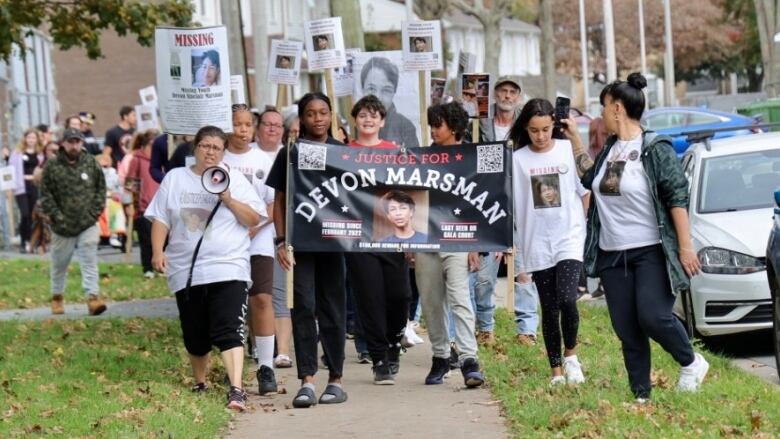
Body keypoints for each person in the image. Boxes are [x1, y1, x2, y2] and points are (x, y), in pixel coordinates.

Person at [569, 72, 708, 402]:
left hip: (650, 250)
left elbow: (676, 197)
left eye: (603, 107)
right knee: (626, 327)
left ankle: (691, 362)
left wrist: (686, 247)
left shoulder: (654, 148)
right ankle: (641, 395)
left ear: (617, 108)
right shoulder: (611, 149)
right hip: (612, 253)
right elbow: (591, 180)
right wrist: (575, 139)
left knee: (653, 315)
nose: (601, 114)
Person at [145, 125, 265, 411]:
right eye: (205, 146)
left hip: (228, 266)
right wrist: (158, 251)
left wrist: (228, 197)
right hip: (187, 271)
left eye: (216, 147)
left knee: (229, 330)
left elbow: (253, 219)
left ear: (224, 153)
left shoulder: (234, 180)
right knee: (195, 334)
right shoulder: (175, 178)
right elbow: (161, 218)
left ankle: (236, 389)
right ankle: (200, 381)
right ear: (195, 148)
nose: (210, 151)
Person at [267, 92, 348, 408]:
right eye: (311, 113)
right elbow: (279, 201)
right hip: (300, 244)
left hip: (335, 243)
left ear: (331, 116)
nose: (318, 118)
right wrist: (280, 241)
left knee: (332, 309)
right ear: (302, 117)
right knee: (303, 305)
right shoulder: (290, 153)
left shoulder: (344, 153)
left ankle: (336, 380)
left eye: (324, 112)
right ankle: (307, 381)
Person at [508, 98, 589, 386]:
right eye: (534, 130)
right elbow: (511, 204)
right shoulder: (517, 160)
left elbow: (585, 187)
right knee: (550, 307)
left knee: (568, 299)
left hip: (568, 236)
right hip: (536, 241)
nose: (540, 136)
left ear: (554, 124)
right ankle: (555, 372)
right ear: (525, 129)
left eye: (545, 129)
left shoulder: (567, 149)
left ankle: (571, 356)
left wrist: (582, 221)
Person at [416, 101, 485, 388]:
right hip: (426, 240)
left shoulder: (470, 158)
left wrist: (475, 244)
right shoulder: (421, 159)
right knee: (431, 303)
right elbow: (413, 198)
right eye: (431, 124)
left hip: (459, 240)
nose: (433, 130)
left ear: (454, 127)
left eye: (438, 125)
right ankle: (441, 356)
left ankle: (469, 359)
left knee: (460, 299)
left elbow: (481, 201)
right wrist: (409, 241)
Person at [344, 95, 411, 385]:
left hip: (391, 235)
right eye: (362, 115)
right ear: (355, 120)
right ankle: (379, 358)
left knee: (400, 296)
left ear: (383, 121)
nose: (368, 120)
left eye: (373, 115)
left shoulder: (395, 152)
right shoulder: (343, 153)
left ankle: (395, 342)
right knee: (369, 298)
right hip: (359, 237)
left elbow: (412, 191)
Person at [222, 104, 279, 395]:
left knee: (261, 299)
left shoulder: (263, 159)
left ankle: (266, 365)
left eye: (247, 125)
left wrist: (256, 226)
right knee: (232, 303)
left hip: (258, 239)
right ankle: (232, 365)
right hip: (226, 242)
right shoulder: (218, 157)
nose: (242, 130)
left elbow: (272, 201)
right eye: (237, 124)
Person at [40, 128, 107, 316]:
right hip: (61, 226)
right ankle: (57, 297)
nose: (75, 145)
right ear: (63, 143)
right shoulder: (52, 166)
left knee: (89, 261)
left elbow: (101, 190)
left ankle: (93, 298)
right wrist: (57, 217)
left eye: (78, 142)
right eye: (71, 142)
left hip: (87, 223)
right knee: (59, 264)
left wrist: (93, 214)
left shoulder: (91, 163)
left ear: (82, 143)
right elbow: (45, 195)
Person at [256, 109, 294, 369]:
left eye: (278, 125)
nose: (272, 129)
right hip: (251, 236)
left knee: (280, 294)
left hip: (279, 234)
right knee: (258, 294)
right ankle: (258, 345)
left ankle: (282, 350)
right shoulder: (248, 155)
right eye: (267, 124)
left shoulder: (288, 155)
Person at [360, 57, 419, 147]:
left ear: (394, 92)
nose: (378, 97)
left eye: (386, 90)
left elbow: (414, 159)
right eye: (371, 89)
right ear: (362, 89)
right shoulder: (353, 124)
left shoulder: (405, 127)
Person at [125, 130, 160, 278]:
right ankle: (148, 269)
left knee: (161, 240)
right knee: (146, 240)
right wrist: (130, 204)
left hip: (160, 206)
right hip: (143, 206)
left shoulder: (161, 159)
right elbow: (131, 182)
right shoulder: (137, 159)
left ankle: (160, 267)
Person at [9, 129, 43, 253]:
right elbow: (11, 170)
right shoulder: (17, 153)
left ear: (37, 139)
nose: (31, 140)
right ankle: (24, 240)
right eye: (29, 138)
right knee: (24, 214)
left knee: (34, 215)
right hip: (21, 187)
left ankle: (33, 240)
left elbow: (42, 169)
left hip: (34, 186)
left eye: (33, 138)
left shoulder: (40, 154)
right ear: (25, 139)